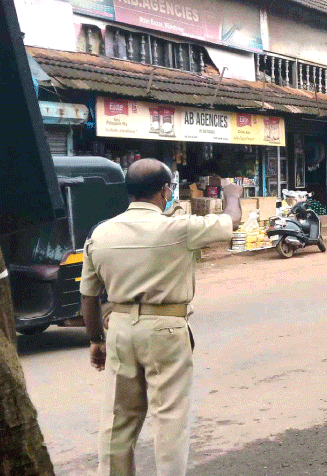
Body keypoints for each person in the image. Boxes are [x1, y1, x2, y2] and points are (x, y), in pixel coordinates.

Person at [80, 158, 243, 476]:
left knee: (118, 420)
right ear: (165, 190)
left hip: (120, 327)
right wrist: (232, 194)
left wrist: (96, 340)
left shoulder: (101, 234)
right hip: (167, 329)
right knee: (169, 419)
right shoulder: (179, 228)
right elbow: (231, 221)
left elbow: (88, 296)